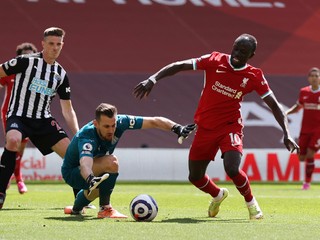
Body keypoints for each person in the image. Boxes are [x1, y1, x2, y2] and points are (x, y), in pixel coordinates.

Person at [133, 33, 300, 220]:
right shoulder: (214, 60)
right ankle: (217, 195)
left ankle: (252, 205)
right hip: (205, 127)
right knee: (195, 177)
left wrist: (287, 133)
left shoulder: (254, 75)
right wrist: (153, 79)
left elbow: (275, 106)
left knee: (232, 168)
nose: (237, 54)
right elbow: (180, 65)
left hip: (230, 126)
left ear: (251, 56)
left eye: (243, 52)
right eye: (236, 48)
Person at [62, 102, 196, 218]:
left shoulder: (121, 121)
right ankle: (105, 208)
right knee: (111, 162)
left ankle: (76, 209)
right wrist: (90, 179)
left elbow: (154, 121)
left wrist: (177, 128)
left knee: (100, 188)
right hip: (73, 173)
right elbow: (85, 163)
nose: (111, 130)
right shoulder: (87, 136)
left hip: (93, 170)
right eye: (106, 126)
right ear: (96, 123)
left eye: (113, 125)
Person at [0, 27, 79, 209]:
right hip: (18, 115)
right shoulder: (24, 62)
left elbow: (68, 110)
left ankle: (80, 199)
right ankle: (1, 192)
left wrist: (78, 133)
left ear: (62, 45)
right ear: (43, 44)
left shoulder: (61, 74)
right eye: (51, 44)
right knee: (13, 141)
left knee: (72, 155)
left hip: (43, 120)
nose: (54, 48)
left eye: (58, 44)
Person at [0, 42, 38, 194]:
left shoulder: (37, 74)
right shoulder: (10, 72)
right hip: (9, 113)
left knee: (20, 150)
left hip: (28, 114)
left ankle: (15, 176)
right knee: (12, 144)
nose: (27, 57)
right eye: (24, 55)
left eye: (30, 55)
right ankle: (16, 178)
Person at [286, 67, 320, 190]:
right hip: (305, 129)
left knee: (311, 154)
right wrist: (287, 113)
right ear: (309, 78)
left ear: (319, 78)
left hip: (318, 130)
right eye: (312, 76)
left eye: (317, 76)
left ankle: (307, 183)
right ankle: (307, 180)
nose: (315, 78)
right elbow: (298, 106)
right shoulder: (304, 91)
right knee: (301, 157)